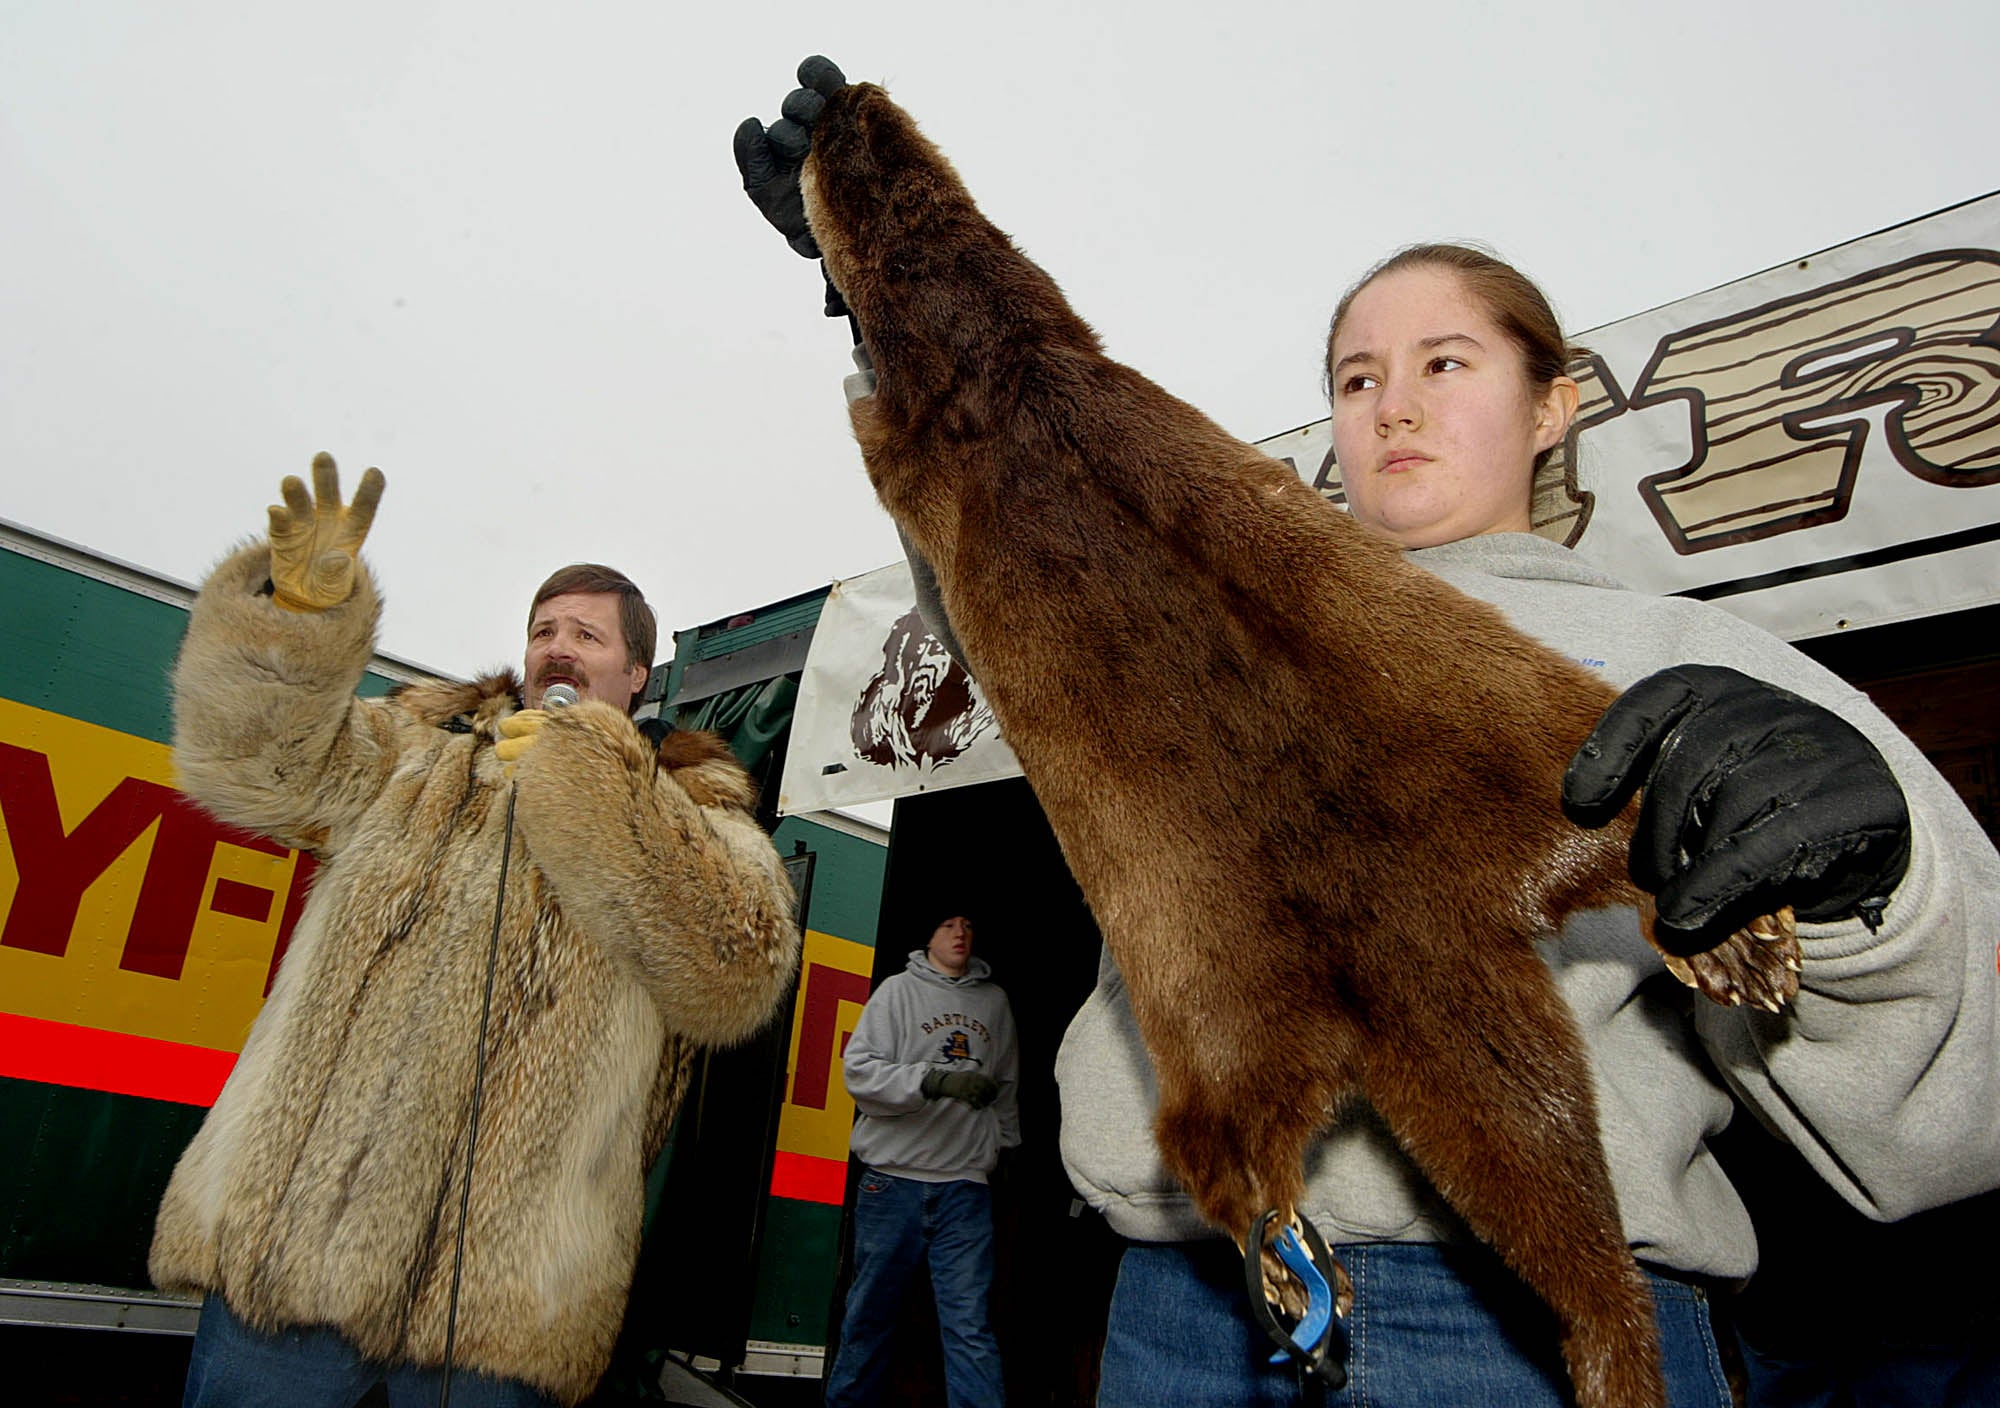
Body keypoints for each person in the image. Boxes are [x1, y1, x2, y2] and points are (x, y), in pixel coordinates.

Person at [734, 66, 2000, 1405]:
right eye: (1356, 374)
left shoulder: (1696, 665)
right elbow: (1006, 554)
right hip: (1186, 1310)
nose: (1391, 405)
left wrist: (1881, 896)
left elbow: (1948, 1116)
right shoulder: (1202, 614)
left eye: (1443, 363)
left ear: (1552, 403)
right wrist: (891, 297)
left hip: (1531, 1340)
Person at [149, 456, 802, 1407]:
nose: (558, 648)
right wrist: (293, 622)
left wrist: (598, 784)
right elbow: (253, 763)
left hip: (509, 1293)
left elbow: (735, 975)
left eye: (587, 633)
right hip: (297, 1240)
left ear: (635, 672)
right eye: (544, 630)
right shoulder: (418, 751)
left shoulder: (699, 814)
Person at [826, 913, 1021, 1408]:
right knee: (870, 1317)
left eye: (970, 925)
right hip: (892, 1183)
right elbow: (861, 1073)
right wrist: (933, 1081)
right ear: (929, 936)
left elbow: (1007, 1087)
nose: (961, 933)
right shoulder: (896, 992)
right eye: (948, 924)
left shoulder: (994, 1003)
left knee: (970, 1325)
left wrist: (1005, 1149)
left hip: (965, 1189)